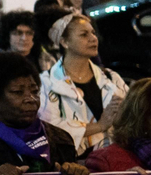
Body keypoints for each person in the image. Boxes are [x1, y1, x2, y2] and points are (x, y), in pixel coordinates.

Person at [39, 13, 128, 155]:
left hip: (112, 160)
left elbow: (134, 115)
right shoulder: (46, 82)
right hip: (72, 163)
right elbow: (50, 128)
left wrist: (124, 111)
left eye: (93, 33)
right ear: (64, 42)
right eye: (84, 34)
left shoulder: (111, 77)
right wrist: (100, 125)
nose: (93, 38)